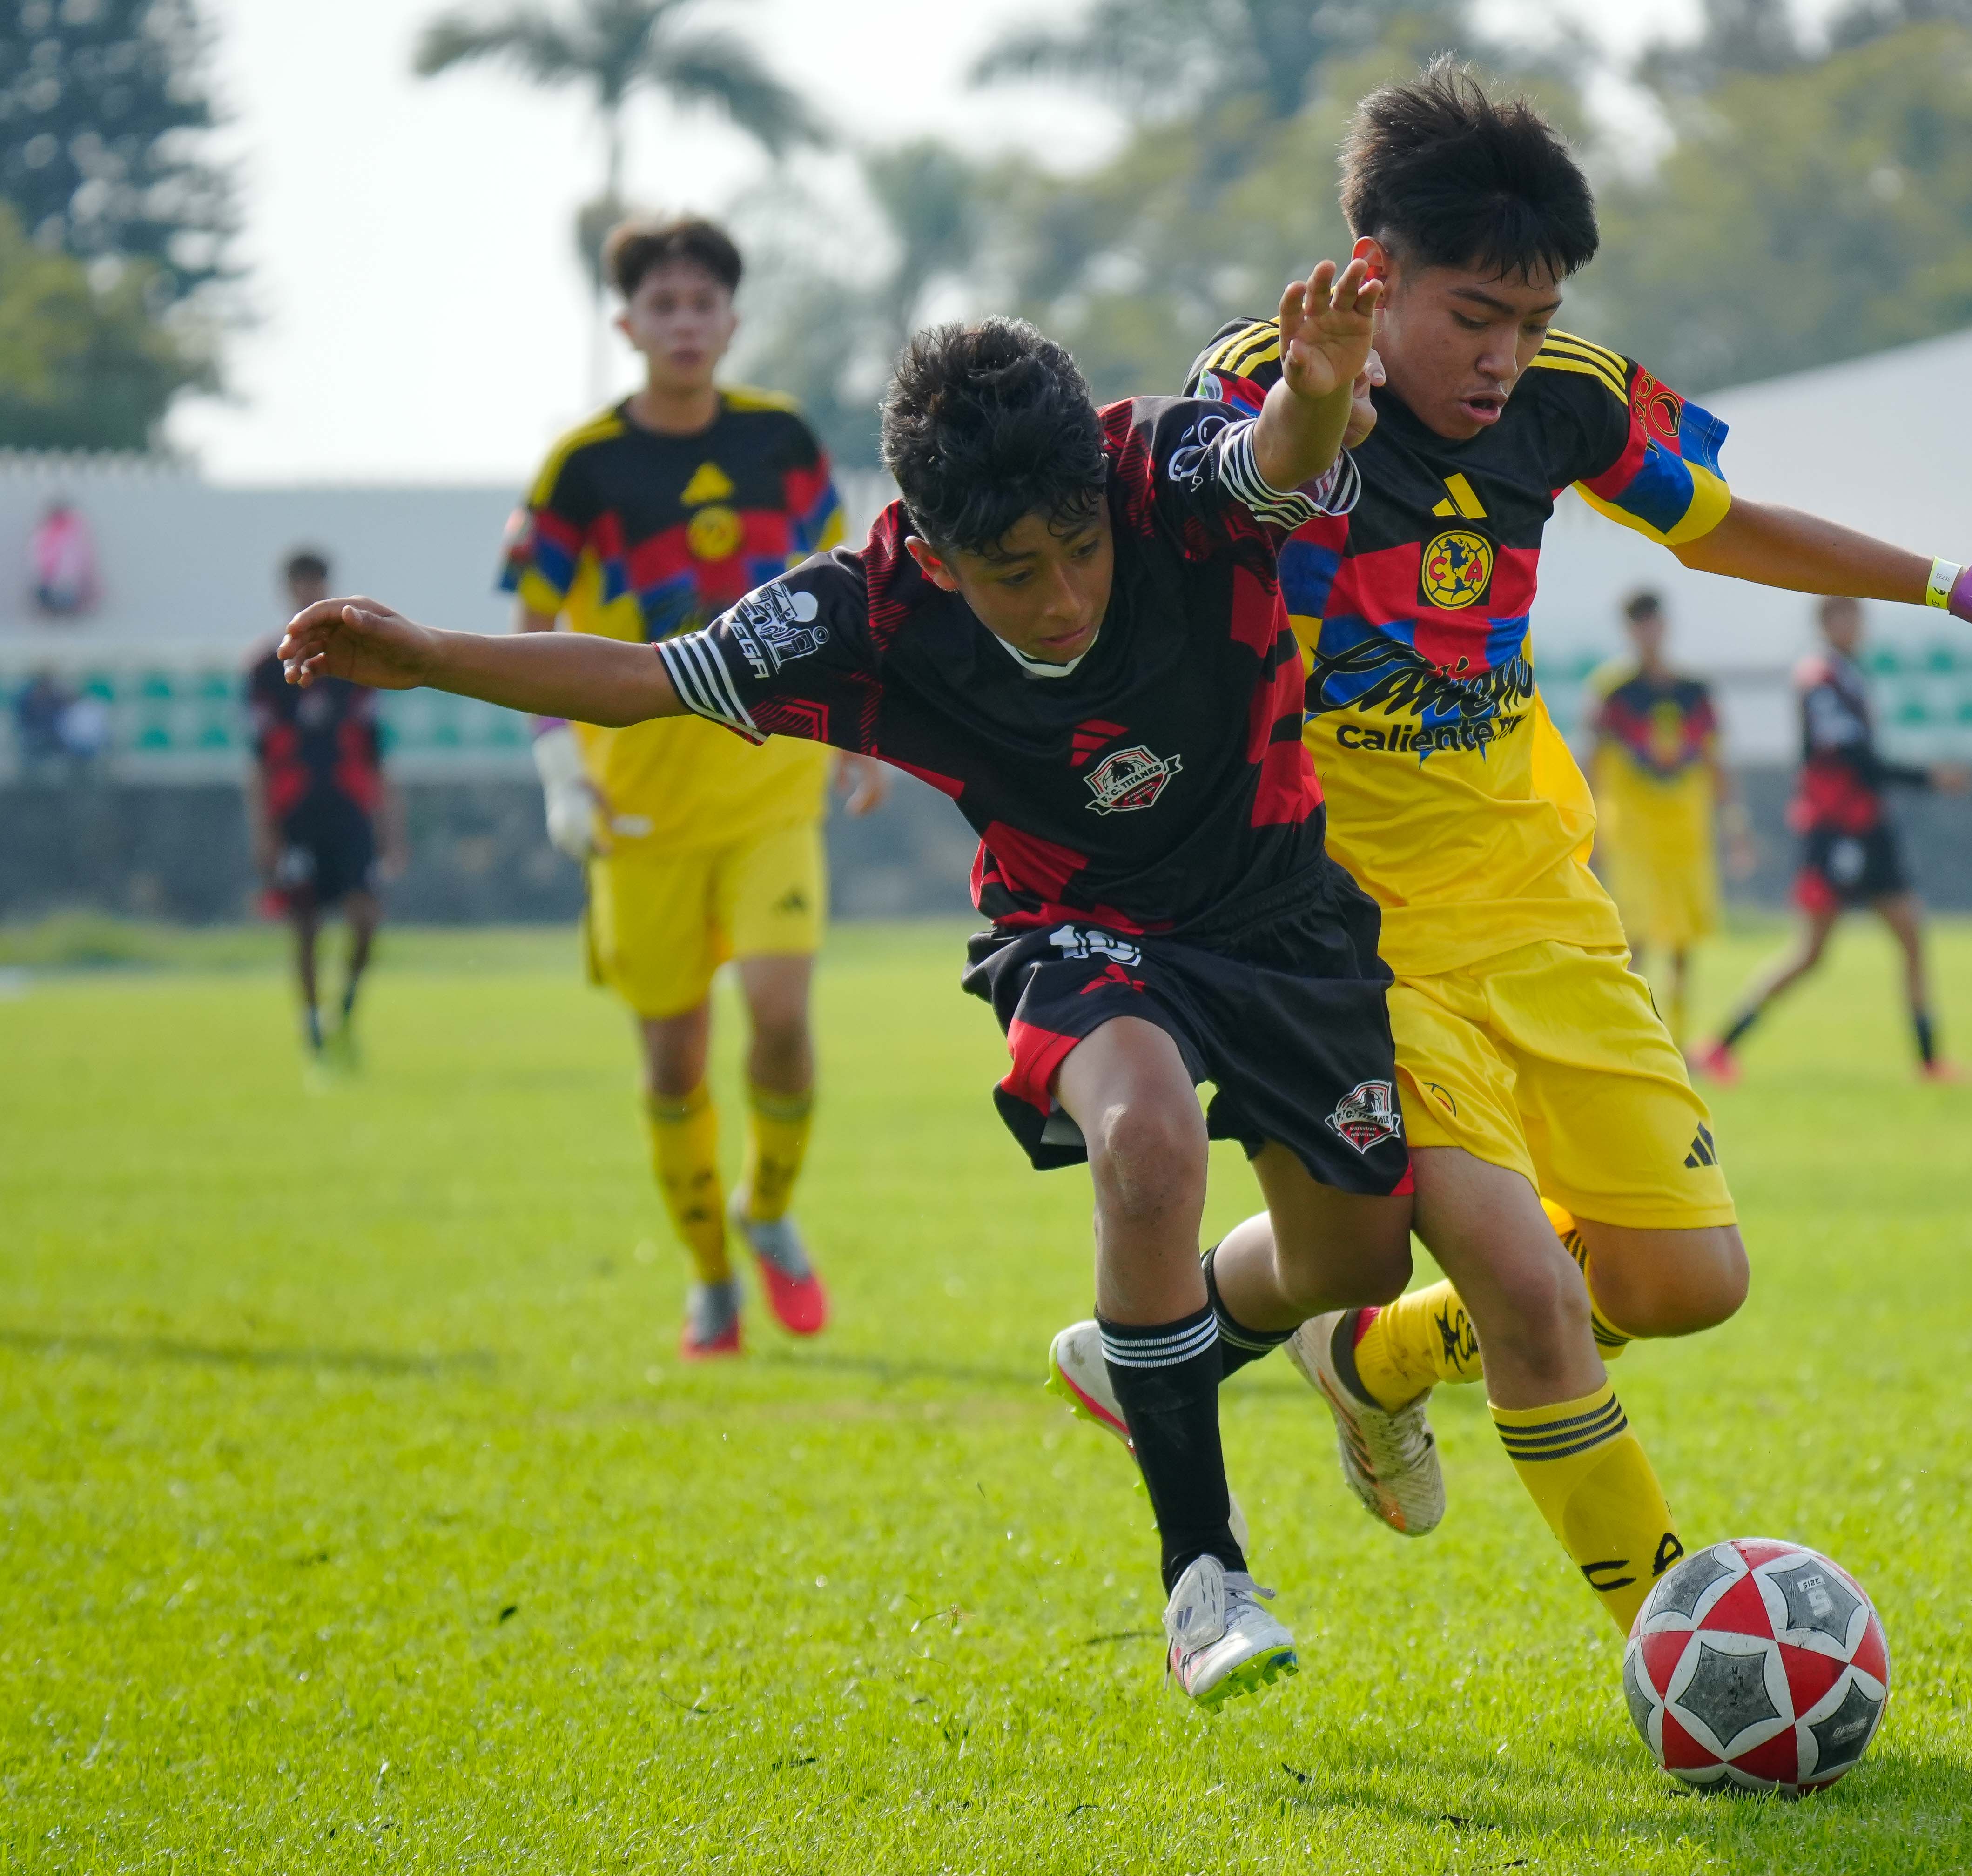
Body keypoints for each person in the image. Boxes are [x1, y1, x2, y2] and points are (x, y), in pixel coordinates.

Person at [279, 273, 1415, 1708]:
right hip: (1077, 926)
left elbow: (1276, 460)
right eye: (1014, 571)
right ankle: (1204, 1576)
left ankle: (1148, 1342)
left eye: (1077, 552)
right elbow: (648, 672)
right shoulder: (861, 610)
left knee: (1355, 1262)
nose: (1061, 594)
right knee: (1143, 1140)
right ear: (936, 557)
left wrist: (1315, 389)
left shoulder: (1153, 469)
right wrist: (430, 656)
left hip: (1279, 913)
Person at [1169, 61, 1972, 1636]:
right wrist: (1311, 405)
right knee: (1532, 1287)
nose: (1502, 359)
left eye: (1528, 319)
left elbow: (1720, 522)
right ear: (1370, 277)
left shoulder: (1570, 397)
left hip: (1534, 889)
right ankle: (1680, 1652)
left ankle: (1374, 1355)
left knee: (1680, 1287)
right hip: (1333, 918)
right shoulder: (1257, 389)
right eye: (1471, 314)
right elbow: (1215, 514)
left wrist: (1967, 587)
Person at [500, 215, 886, 1360]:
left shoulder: (782, 441)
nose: (682, 322)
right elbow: (532, 623)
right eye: (660, 305)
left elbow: (848, 583)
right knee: (671, 1062)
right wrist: (559, 770)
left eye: (701, 303)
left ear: (729, 319)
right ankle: (711, 1278)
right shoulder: (581, 467)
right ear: (626, 324)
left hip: (773, 784)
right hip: (638, 809)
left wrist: (864, 728)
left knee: (778, 1014)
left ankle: (766, 1206)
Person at [1698, 595, 1972, 1086]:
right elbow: (1851, 759)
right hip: (1835, 830)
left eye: (1857, 616)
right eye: (1845, 616)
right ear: (1826, 622)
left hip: (1868, 825)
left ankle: (1930, 1062)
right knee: (1810, 952)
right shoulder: (1819, 679)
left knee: (1910, 935)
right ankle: (1719, 1046)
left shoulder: (1846, 674)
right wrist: (1930, 779)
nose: (1855, 625)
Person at [245, 549, 404, 1066]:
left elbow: (379, 758)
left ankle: (348, 1007)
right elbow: (258, 762)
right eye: (300, 584)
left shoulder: (356, 665)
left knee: (365, 918)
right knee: (306, 922)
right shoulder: (264, 670)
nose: (308, 592)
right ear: (287, 591)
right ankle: (314, 1028)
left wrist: (391, 830)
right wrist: (264, 831)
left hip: (349, 809)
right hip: (297, 813)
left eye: (316, 583)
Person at [1585, 588, 1751, 1045]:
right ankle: (1629, 1035)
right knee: (1633, 936)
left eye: (1654, 623)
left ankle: (1675, 1039)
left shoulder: (1694, 691)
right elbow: (1592, 762)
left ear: (1665, 625)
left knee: (1683, 942)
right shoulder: (1612, 691)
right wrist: (1589, 825)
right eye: (1640, 625)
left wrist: (1735, 825)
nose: (1649, 633)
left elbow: (1716, 762)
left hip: (1684, 831)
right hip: (1635, 832)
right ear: (1630, 631)